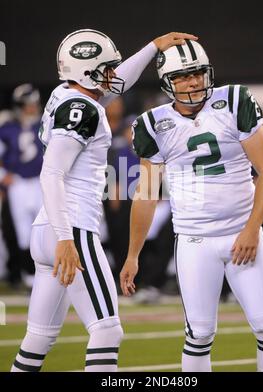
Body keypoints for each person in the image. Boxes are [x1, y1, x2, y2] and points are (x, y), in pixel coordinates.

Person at [10, 29, 197, 372]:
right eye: (106, 68)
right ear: (87, 71)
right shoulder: (85, 110)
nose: (113, 75)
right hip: (71, 230)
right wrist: (67, 239)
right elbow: (51, 175)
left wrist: (153, 47)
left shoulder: (64, 94)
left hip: (47, 229)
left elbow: (112, 86)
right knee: (107, 331)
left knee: (38, 338)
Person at [120, 40, 263, 372]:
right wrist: (132, 254)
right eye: (183, 76)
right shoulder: (153, 124)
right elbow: (147, 193)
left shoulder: (234, 101)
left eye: (197, 72)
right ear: (168, 81)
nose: (194, 81)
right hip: (195, 240)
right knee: (199, 334)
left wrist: (252, 229)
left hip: (243, 232)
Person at [0, 84, 43, 288]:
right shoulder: (7, 127)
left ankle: (42, 273)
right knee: (23, 232)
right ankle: (28, 275)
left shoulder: (45, 124)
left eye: (34, 104)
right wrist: (3, 175)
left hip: (40, 181)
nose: (32, 108)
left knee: (43, 228)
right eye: (28, 105)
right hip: (18, 182)